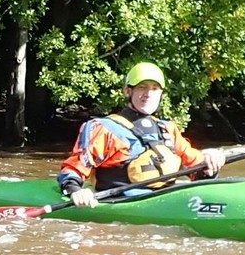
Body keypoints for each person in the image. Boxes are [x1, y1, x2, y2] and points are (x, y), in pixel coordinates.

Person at [58, 62, 227, 207]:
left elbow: (197, 172)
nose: (148, 94)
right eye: (142, 87)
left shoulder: (168, 129)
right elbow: (74, 168)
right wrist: (75, 190)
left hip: (165, 201)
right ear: (127, 92)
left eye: (155, 89)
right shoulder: (104, 128)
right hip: (122, 202)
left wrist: (210, 162)